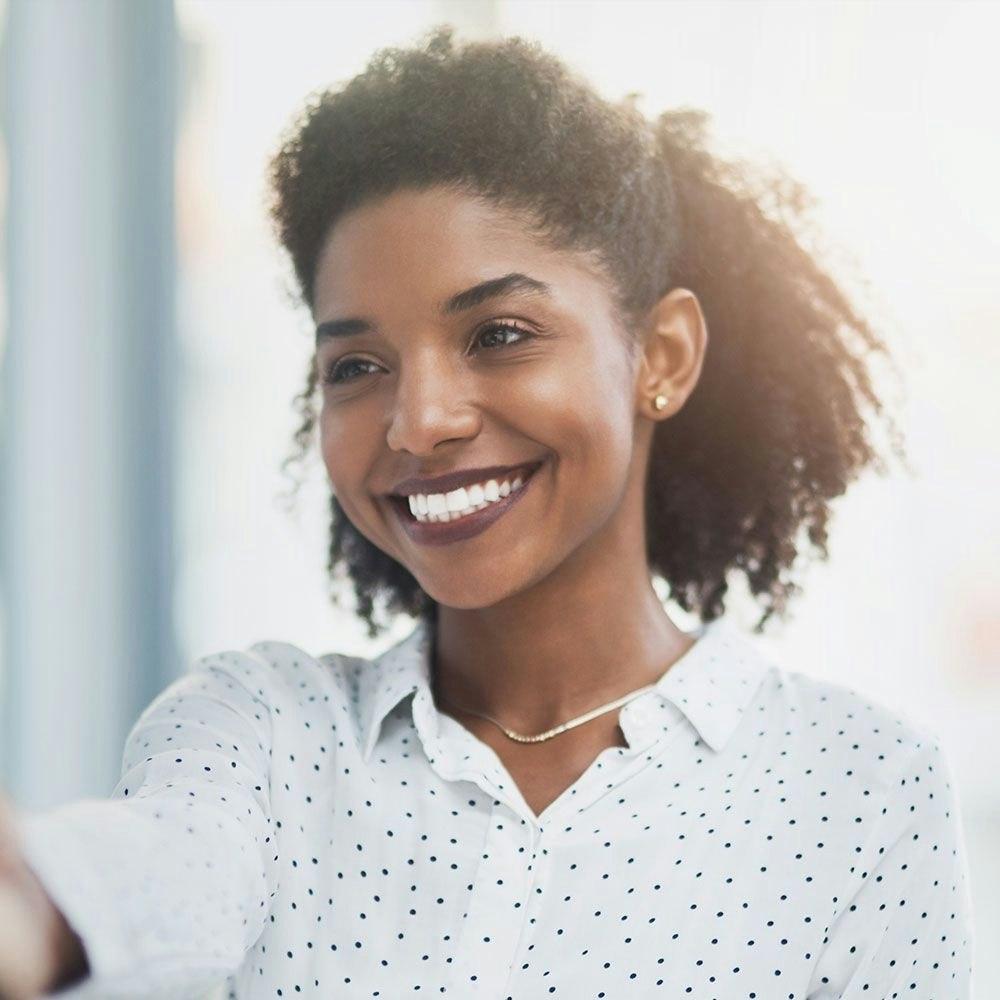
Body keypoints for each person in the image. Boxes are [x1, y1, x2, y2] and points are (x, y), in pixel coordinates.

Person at [0, 26, 975, 1000]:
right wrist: (37, 911)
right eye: (357, 366)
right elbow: (160, 867)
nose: (419, 422)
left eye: (499, 334)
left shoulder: (864, 791)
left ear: (661, 356)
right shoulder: (262, 735)